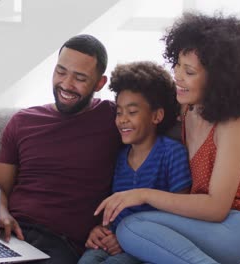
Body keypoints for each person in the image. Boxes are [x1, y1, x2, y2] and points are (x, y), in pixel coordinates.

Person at [94, 13, 240, 264]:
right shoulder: (186, 108)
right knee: (130, 237)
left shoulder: (233, 125)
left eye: (189, 71)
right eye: (177, 65)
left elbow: (216, 208)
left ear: (218, 80)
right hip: (206, 231)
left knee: (131, 227)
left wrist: (143, 194)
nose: (178, 76)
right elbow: (142, 100)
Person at [0, 34, 122, 264]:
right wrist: (0, 212)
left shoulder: (115, 119)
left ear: (100, 83)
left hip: (62, 244)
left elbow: (155, 110)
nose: (66, 84)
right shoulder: (23, 121)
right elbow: (0, 185)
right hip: (10, 232)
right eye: (61, 71)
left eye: (80, 77)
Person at [78, 61, 192, 264]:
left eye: (131, 112)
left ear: (156, 116)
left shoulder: (172, 153)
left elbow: (180, 216)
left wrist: (127, 240)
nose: (122, 120)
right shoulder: (119, 157)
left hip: (147, 246)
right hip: (113, 241)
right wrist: (100, 230)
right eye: (119, 112)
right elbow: (112, 212)